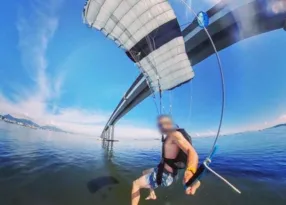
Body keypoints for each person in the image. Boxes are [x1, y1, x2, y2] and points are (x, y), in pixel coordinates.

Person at [131, 115, 201, 205]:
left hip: (164, 175)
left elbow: (192, 152)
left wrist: (190, 171)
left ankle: (194, 181)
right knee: (144, 172)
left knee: (135, 184)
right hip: (164, 171)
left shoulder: (174, 134)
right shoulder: (170, 136)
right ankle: (152, 193)